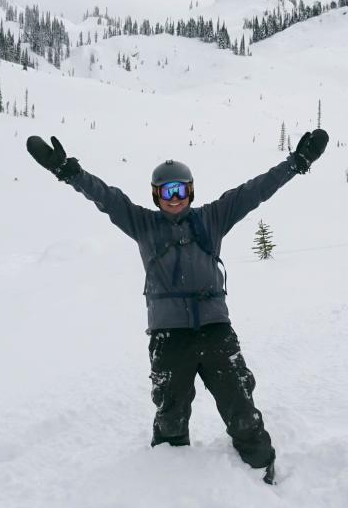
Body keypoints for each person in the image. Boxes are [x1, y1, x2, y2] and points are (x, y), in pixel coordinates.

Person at [26, 129, 329, 484]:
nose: (174, 198)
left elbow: (255, 191)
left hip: (216, 330)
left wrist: (295, 164)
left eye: (181, 189)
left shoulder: (212, 218)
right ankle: (171, 487)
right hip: (169, 337)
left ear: (191, 191)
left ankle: (260, 468)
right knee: (170, 417)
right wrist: (69, 172)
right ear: (156, 195)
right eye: (167, 191)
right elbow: (106, 197)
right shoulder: (142, 224)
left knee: (241, 405)